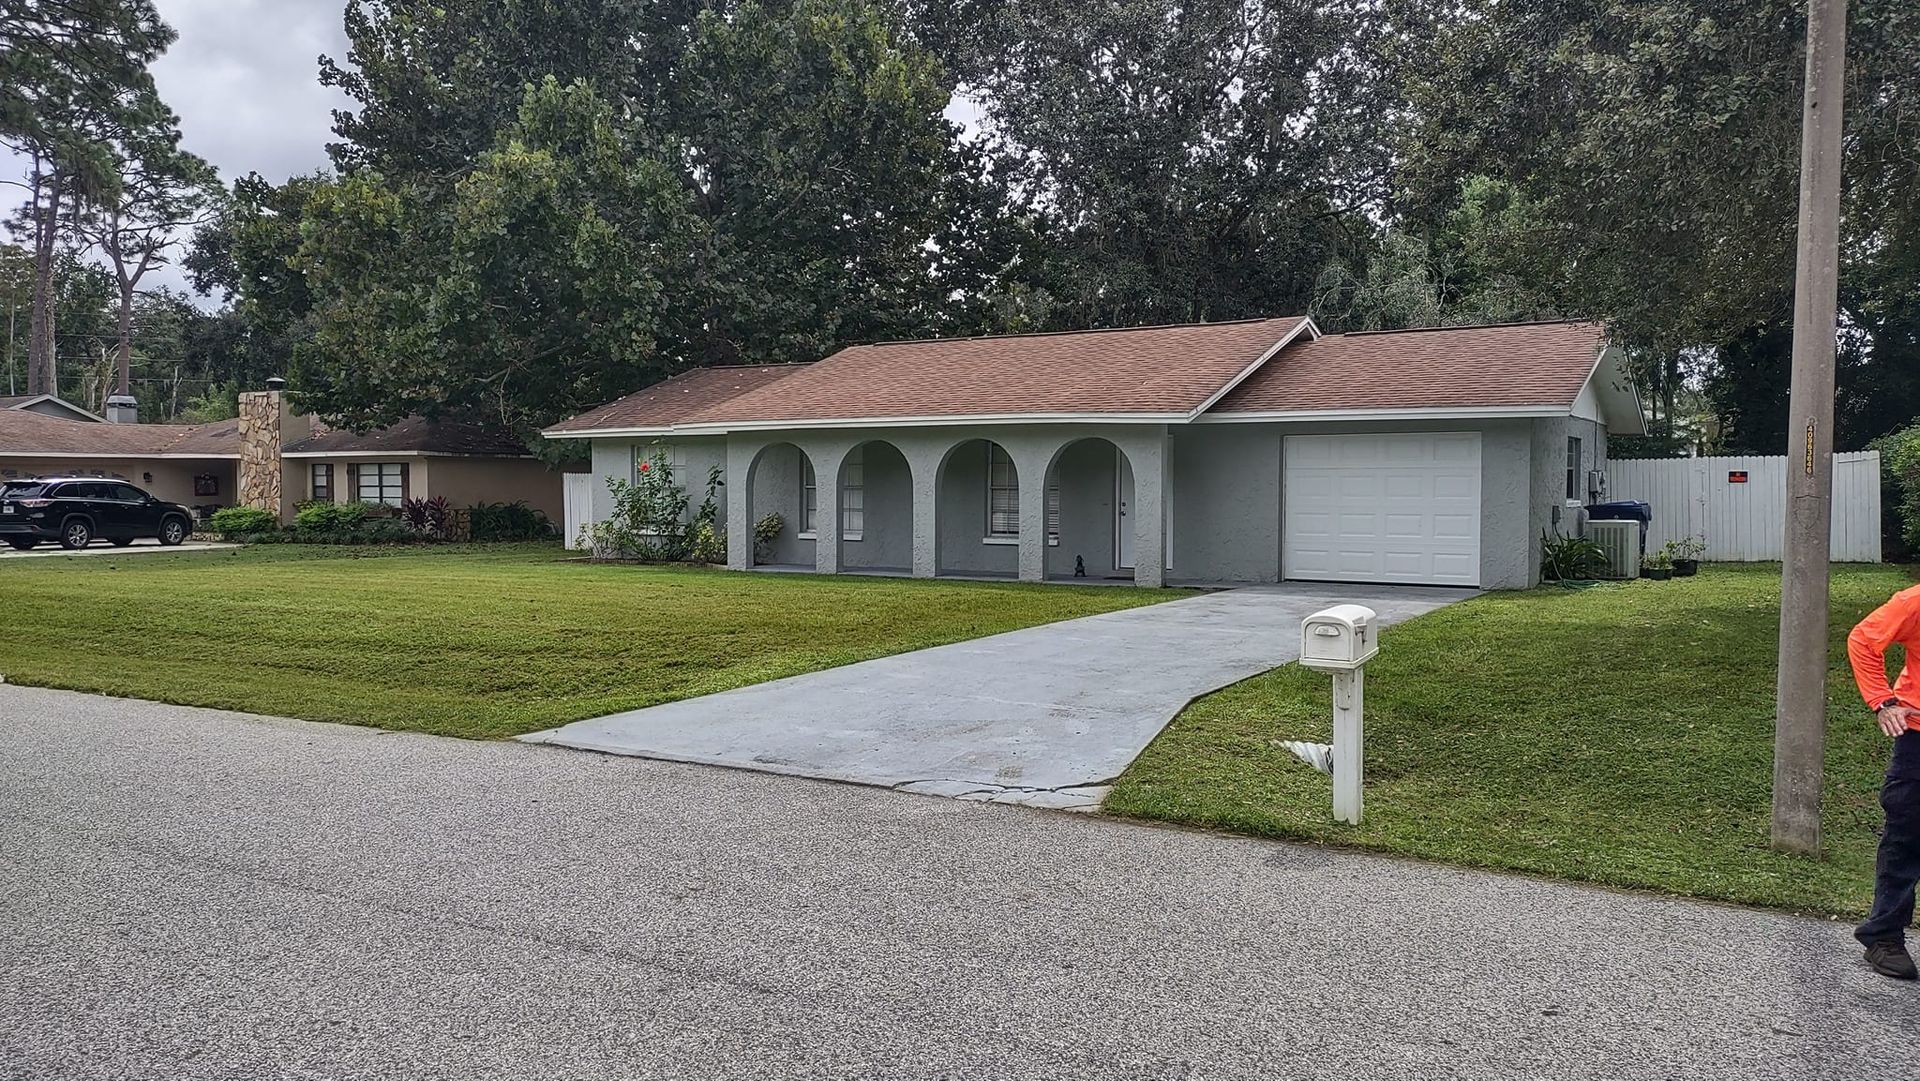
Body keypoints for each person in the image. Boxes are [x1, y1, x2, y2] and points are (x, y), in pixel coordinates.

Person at [1848, 583, 1920, 979]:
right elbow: (1863, 639)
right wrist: (1883, 700)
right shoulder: (1914, 602)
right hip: (1918, 740)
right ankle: (1884, 936)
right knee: (1906, 837)